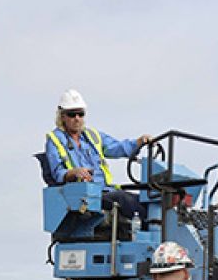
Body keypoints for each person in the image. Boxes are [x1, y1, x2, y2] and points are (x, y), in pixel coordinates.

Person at [45, 89, 151, 226]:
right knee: (124, 199)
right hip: (85, 196)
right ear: (62, 116)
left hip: (105, 191)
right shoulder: (54, 140)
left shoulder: (92, 136)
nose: (77, 118)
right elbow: (57, 172)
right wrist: (74, 172)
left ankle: (157, 231)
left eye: (80, 114)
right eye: (72, 114)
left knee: (146, 200)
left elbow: (117, 147)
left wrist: (138, 142)